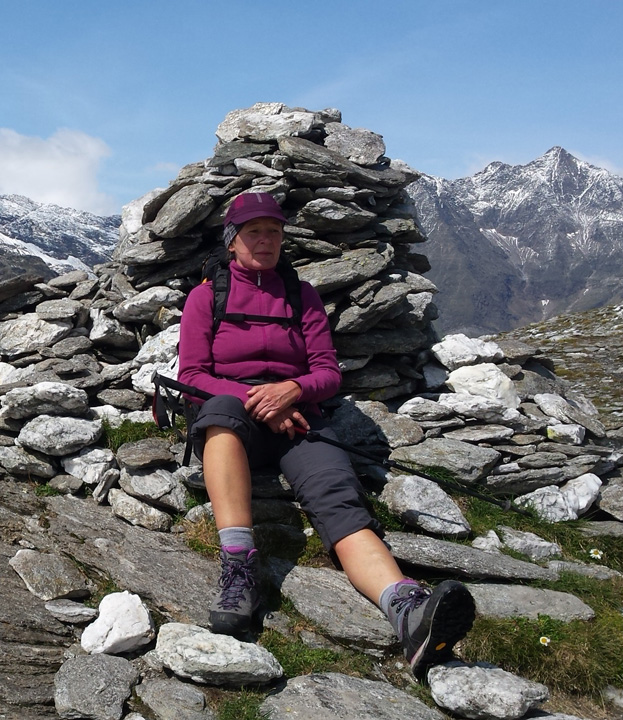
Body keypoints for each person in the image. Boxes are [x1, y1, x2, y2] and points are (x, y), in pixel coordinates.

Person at [176, 191, 474, 679]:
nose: (266, 240)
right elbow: (192, 375)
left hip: (299, 418)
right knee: (221, 415)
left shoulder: (302, 294)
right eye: (254, 232)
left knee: (338, 498)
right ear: (232, 241)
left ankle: (406, 609)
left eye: (274, 231)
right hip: (236, 415)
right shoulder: (205, 297)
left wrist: (292, 390)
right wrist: (262, 402)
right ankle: (239, 569)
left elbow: (327, 373)